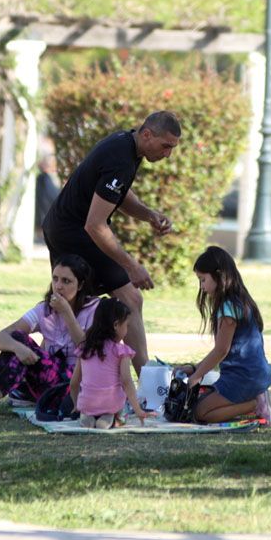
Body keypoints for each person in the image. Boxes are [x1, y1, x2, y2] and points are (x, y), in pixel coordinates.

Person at [41, 110, 181, 375]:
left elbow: (118, 192)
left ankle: (41, 376)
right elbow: (95, 225)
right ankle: (148, 380)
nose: (168, 154)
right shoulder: (121, 158)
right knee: (130, 297)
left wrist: (148, 215)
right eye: (165, 146)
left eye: (172, 148)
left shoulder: (125, 144)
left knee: (72, 306)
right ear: (147, 134)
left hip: (61, 226)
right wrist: (131, 266)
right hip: (74, 232)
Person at [0, 254, 99, 425]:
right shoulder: (44, 309)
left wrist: (67, 313)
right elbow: (1, 337)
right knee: (17, 338)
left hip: (76, 386)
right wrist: (18, 348)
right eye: (55, 279)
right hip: (49, 381)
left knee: (20, 347)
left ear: (81, 285)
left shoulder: (94, 309)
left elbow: (88, 351)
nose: (58, 286)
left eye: (66, 281)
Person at [175, 246, 271, 426]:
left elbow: (221, 350)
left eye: (203, 279)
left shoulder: (228, 308)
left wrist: (197, 376)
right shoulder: (239, 302)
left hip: (243, 377)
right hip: (249, 375)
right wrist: (194, 368)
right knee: (199, 406)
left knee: (200, 413)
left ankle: (256, 404)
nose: (202, 286)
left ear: (219, 276)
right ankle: (254, 400)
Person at [69, 298, 153, 429]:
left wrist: (76, 405)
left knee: (88, 410)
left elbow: (74, 382)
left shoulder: (85, 348)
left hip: (87, 403)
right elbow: (126, 381)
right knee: (123, 409)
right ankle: (113, 418)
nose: (127, 330)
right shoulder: (121, 351)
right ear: (116, 325)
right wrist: (138, 410)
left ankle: (88, 417)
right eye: (126, 325)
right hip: (111, 403)